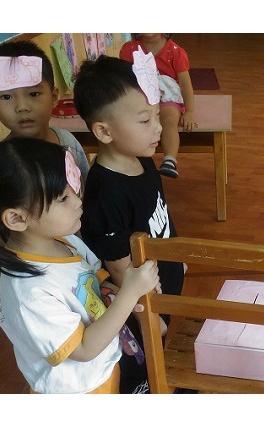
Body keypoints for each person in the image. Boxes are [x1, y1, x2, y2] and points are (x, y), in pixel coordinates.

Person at [0, 137, 160, 393]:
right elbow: (84, 349)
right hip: (83, 389)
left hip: (110, 361)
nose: (78, 201)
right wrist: (130, 292)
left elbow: (94, 282)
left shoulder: (65, 241)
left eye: (74, 190)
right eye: (63, 198)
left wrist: (128, 295)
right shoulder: (29, 295)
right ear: (17, 219)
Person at [73, 54, 186, 394]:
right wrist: (149, 316)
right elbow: (120, 269)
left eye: (157, 115)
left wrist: (176, 256)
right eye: (145, 120)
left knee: (162, 353)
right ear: (104, 131)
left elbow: (159, 213)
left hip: (162, 283)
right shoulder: (105, 194)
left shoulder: (142, 161)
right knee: (144, 361)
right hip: (141, 307)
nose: (158, 128)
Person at [0, 40, 91, 250]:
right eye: (6, 97)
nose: (22, 107)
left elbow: (87, 195)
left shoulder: (67, 142)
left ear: (54, 96)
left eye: (33, 94)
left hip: (80, 253)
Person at [119, 34, 196, 179]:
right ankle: (137, 161)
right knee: (139, 123)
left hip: (168, 96)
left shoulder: (175, 51)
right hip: (141, 96)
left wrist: (190, 111)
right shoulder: (129, 49)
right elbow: (124, 79)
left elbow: (186, 84)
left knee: (169, 121)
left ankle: (170, 161)